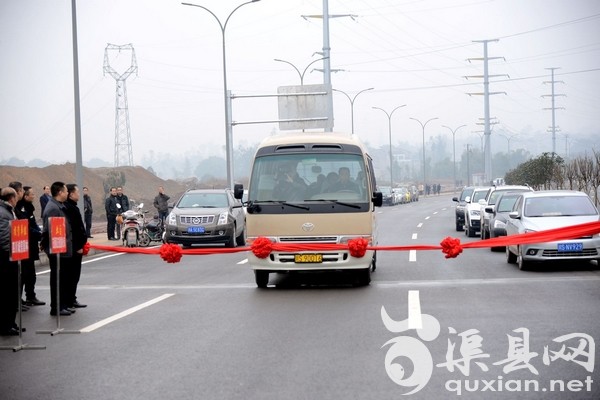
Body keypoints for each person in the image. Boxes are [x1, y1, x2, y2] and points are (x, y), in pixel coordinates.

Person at [41, 181, 73, 316]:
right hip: (57, 250)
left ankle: (62, 305)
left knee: (63, 279)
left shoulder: (58, 206)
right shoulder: (53, 208)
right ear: (60, 192)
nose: (67, 193)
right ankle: (56, 307)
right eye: (66, 191)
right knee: (58, 279)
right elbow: (50, 231)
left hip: (62, 248)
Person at [16, 186, 45, 307]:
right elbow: (26, 227)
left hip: (32, 245)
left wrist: (40, 234)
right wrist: (39, 234)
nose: (34, 196)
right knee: (23, 274)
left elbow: (33, 224)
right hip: (24, 245)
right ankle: (18, 299)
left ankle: (30, 296)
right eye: (31, 194)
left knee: (31, 273)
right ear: (25, 196)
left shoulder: (29, 208)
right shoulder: (20, 209)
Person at [0, 187, 23, 335]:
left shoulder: (9, 210)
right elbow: (4, 238)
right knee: (7, 293)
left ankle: (11, 323)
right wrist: (14, 251)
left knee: (13, 293)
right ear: (11, 198)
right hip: (6, 258)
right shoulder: (3, 213)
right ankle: (5, 326)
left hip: (13, 256)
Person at [63, 184, 88, 310]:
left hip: (77, 245)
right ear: (71, 194)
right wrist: (79, 245)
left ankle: (72, 298)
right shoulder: (69, 208)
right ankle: (69, 300)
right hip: (74, 247)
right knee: (72, 275)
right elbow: (74, 229)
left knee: (75, 275)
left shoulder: (72, 207)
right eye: (77, 192)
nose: (80, 194)